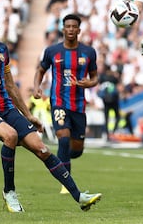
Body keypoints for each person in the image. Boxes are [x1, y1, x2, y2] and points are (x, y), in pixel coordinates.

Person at [0, 2, 101, 213]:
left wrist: (27, 115)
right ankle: (9, 192)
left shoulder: (2, 49)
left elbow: (10, 85)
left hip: (7, 109)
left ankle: (79, 197)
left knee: (42, 149)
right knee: (10, 135)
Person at [33, 14, 99, 194]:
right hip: (59, 102)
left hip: (78, 105)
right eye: (67, 26)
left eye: (73, 27)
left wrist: (90, 83)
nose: (70, 29)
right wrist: (36, 87)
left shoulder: (89, 52)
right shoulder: (52, 51)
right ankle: (66, 183)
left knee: (76, 150)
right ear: (63, 29)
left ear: (79, 30)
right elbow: (40, 70)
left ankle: (60, 160)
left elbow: (95, 77)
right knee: (63, 137)